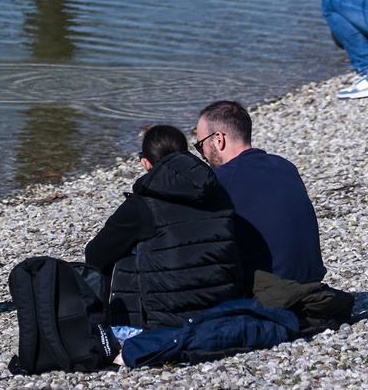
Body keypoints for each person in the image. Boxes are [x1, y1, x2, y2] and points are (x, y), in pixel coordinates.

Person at [84, 124, 246, 340]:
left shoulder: (143, 204)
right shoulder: (217, 193)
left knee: (123, 255)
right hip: (224, 310)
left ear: (146, 163)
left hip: (166, 324)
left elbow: (95, 254)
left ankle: (112, 324)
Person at [192, 101, 325, 285]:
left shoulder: (221, 179)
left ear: (218, 139)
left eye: (200, 146)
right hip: (312, 279)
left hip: (271, 290)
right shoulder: (284, 166)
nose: (203, 155)